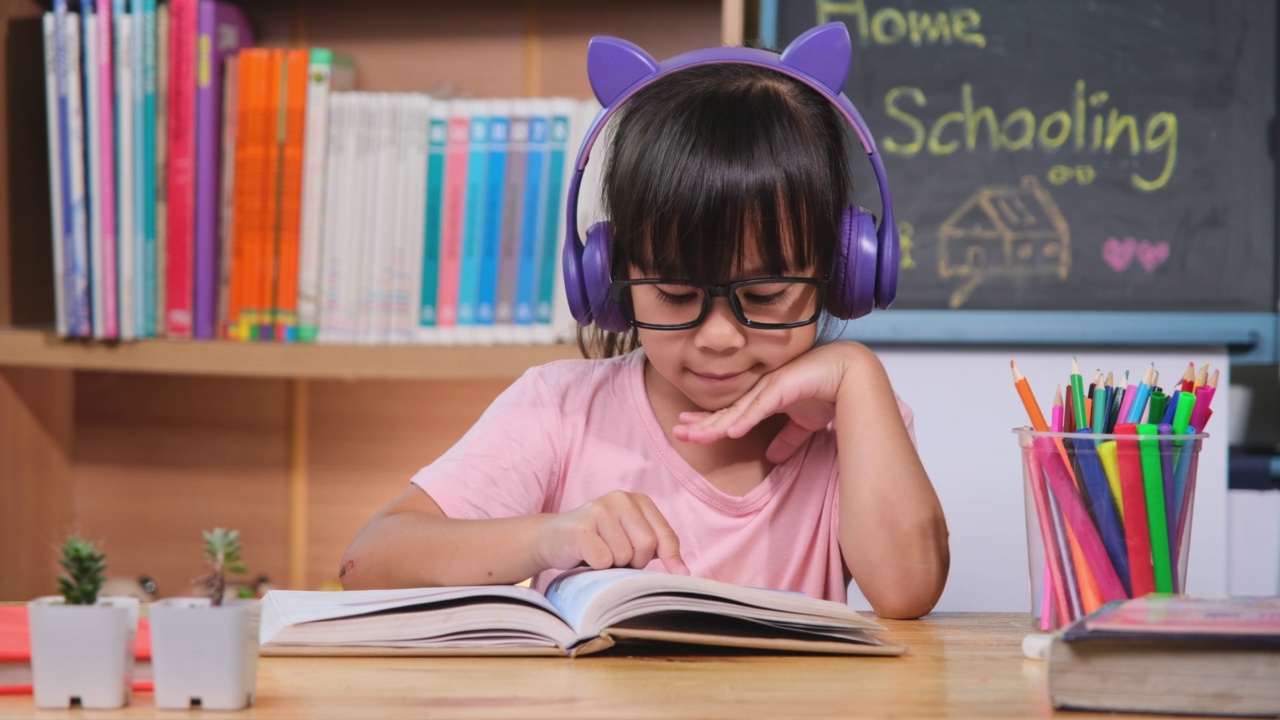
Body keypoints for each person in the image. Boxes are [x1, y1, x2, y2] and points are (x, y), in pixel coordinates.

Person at [340, 25, 949, 619]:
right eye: (677, 293)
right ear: (608, 274)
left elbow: (907, 591)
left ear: (845, 270)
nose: (718, 336)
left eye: (764, 294)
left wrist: (856, 371)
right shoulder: (560, 410)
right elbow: (369, 563)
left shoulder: (854, 418)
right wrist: (550, 536)